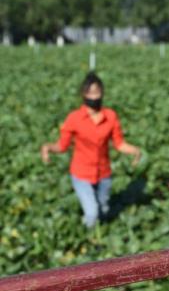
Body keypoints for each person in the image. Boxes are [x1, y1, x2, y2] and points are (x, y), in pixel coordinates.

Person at [41, 72, 141, 228]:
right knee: (92, 212)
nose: (94, 97)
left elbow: (119, 144)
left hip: (103, 174)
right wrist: (48, 148)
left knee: (103, 209)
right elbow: (62, 145)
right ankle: (88, 239)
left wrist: (135, 151)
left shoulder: (110, 116)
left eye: (97, 92)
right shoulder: (74, 118)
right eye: (90, 93)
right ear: (83, 94)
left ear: (102, 93)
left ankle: (98, 233)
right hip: (81, 173)